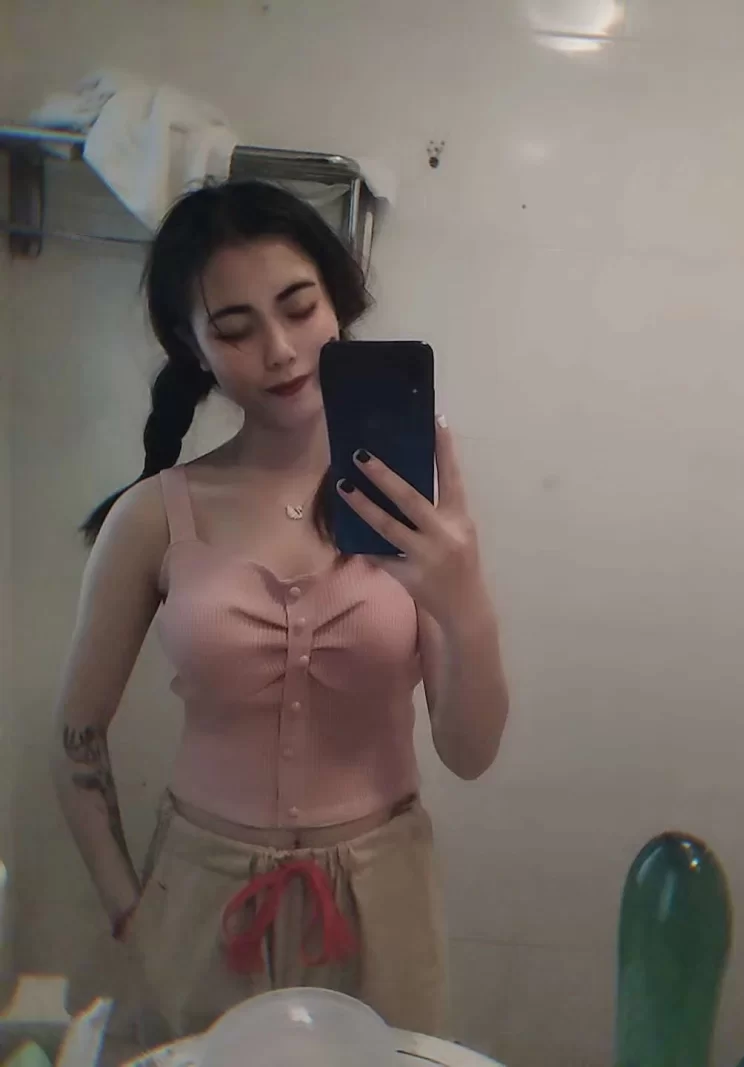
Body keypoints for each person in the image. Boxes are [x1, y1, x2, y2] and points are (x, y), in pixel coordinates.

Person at [51, 179, 509, 1049]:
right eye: (235, 328)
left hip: (383, 897)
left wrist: (465, 603)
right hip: (199, 899)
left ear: (338, 301)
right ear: (192, 347)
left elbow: (470, 751)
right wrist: (129, 912)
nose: (281, 349)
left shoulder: (413, 503)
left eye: (300, 307)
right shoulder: (152, 516)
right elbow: (74, 737)